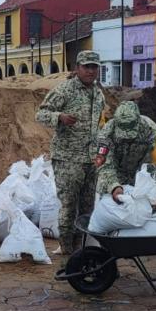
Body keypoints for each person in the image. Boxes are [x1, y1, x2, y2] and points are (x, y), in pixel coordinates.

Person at [93, 101, 156, 283]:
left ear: (138, 122)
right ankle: (108, 265)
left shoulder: (152, 132)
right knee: (108, 217)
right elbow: (104, 166)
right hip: (116, 178)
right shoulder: (106, 133)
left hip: (144, 176)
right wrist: (114, 187)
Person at [36, 50, 106, 254]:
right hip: (68, 159)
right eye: (87, 66)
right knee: (68, 206)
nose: (91, 71)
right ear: (77, 68)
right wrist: (59, 117)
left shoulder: (98, 93)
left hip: (91, 160)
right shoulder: (64, 90)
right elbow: (40, 113)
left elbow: (100, 122)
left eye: (94, 67)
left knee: (87, 208)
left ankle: (81, 248)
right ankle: (66, 250)